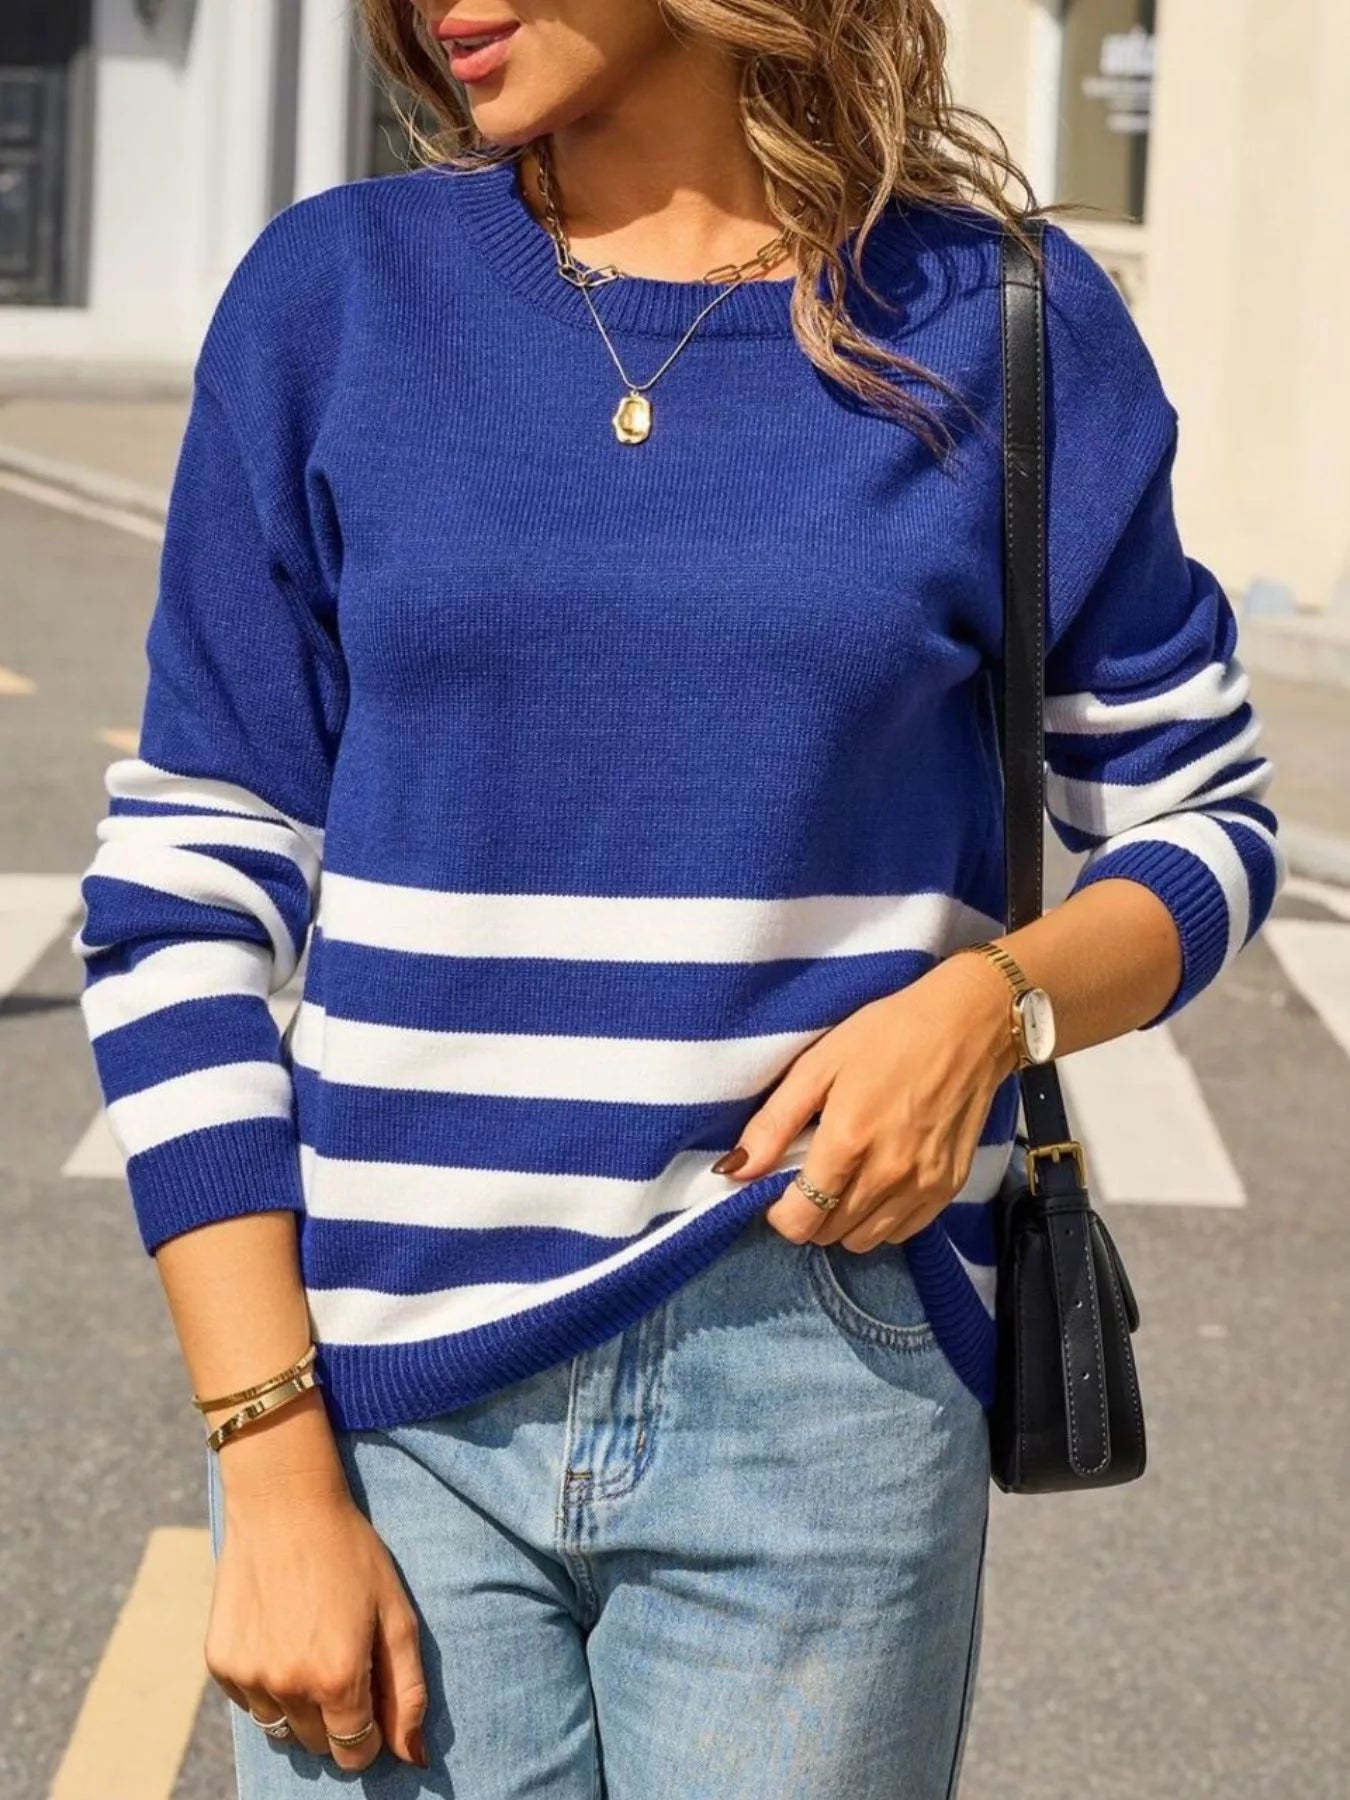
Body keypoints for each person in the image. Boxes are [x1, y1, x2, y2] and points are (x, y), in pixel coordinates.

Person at [70, 1, 1283, 1794]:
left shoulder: (997, 319)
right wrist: (269, 1461)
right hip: (386, 1403)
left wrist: (989, 1009)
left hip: (823, 1378)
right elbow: (185, 890)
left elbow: (1202, 819)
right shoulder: (335, 299)